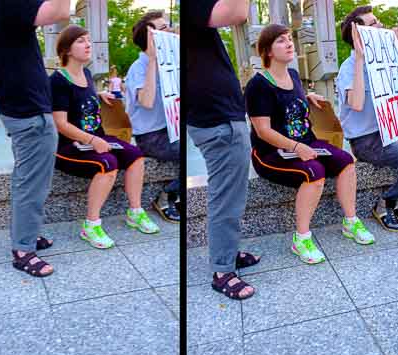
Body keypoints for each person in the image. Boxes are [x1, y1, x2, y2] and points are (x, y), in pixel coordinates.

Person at [248, 24, 377, 264]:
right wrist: (297, 148)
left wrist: (308, 95)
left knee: (346, 161)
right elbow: (263, 131)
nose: (289, 44)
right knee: (314, 173)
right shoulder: (258, 85)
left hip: (306, 142)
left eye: (289, 39)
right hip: (272, 153)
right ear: (266, 51)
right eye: (281, 41)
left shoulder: (293, 75)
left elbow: (287, 99)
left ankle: (350, 222)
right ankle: (302, 238)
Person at [51, 26, 160, 250]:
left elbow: (80, 100)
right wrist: (92, 141)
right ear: (67, 49)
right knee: (107, 164)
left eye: (89, 40)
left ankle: (135, 212)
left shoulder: (87, 74)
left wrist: (99, 95)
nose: (88, 44)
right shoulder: (58, 80)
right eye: (81, 41)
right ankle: (90, 225)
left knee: (135, 155)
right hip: (69, 147)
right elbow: (60, 123)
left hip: (95, 139)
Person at [0, 0, 69, 277]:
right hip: (27, 111)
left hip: (27, 109)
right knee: (31, 183)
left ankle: (28, 236)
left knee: (31, 180)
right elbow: (59, 11)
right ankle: (23, 250)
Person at [338, 6, 398, 232]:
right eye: (373, 24)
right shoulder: (349, 68)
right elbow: (357, 104)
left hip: (389, 132)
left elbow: (397, 93)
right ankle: (387, 200)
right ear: (359, 34)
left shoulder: (379, 61)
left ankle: (397, 199)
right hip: (367, 141)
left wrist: (396, 54)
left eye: (378, 21)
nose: (380, 26)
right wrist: (360, 59)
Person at [187, 0, 257, 299]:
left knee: (231, 194)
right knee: (226, 197)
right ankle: (222, 271)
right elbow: (238, 13)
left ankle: (227, 253)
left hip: (221, 120)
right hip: (217, 122)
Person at [125, 10, 184, 223]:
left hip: (171, 128)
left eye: (168, 26)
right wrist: (151, 60)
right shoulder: (139, 67)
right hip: (151, 136)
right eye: (162, 29)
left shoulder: (170, 60)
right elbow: (147, 102)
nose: (169, 31)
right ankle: (166, 195)